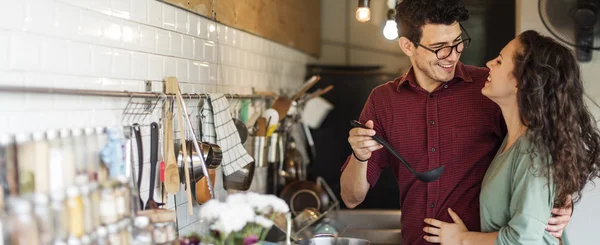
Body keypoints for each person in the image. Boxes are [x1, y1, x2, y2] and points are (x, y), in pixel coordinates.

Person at [340, 1, 573, 245]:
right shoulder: (382, 100)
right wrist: (360, 156)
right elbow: (351, 198)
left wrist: (562, 200)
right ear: (408, 46)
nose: (452, 55)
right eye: (440, 48)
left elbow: (543, 145)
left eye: (458, 42)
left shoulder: (489, 88)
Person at [421, 30, 600, 245]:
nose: (488, 63)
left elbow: (523, 240)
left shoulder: (533, 149)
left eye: (499, 61)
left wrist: (461, 239)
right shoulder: (512, 141)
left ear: (520, 81)